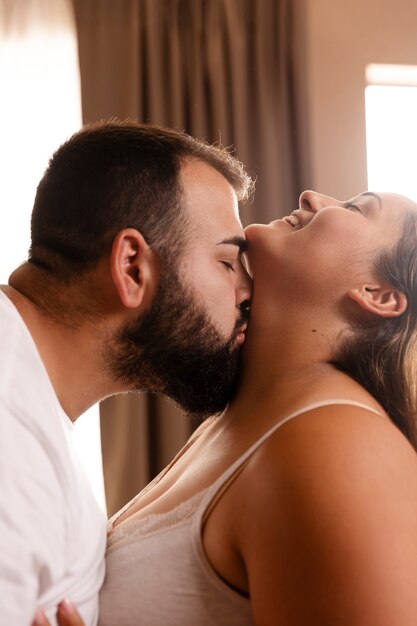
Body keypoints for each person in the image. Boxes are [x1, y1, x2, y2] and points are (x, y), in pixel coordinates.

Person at [40, 189, 417, 626]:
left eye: (354, 207)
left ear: (377, 294)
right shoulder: (235, 419)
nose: (312, 196)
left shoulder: (344, 451)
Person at [1, 120, 253, 626]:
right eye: (228, 263)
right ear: (133, 266)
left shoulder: (30, 410)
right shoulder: (13, 446)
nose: (249, 293)